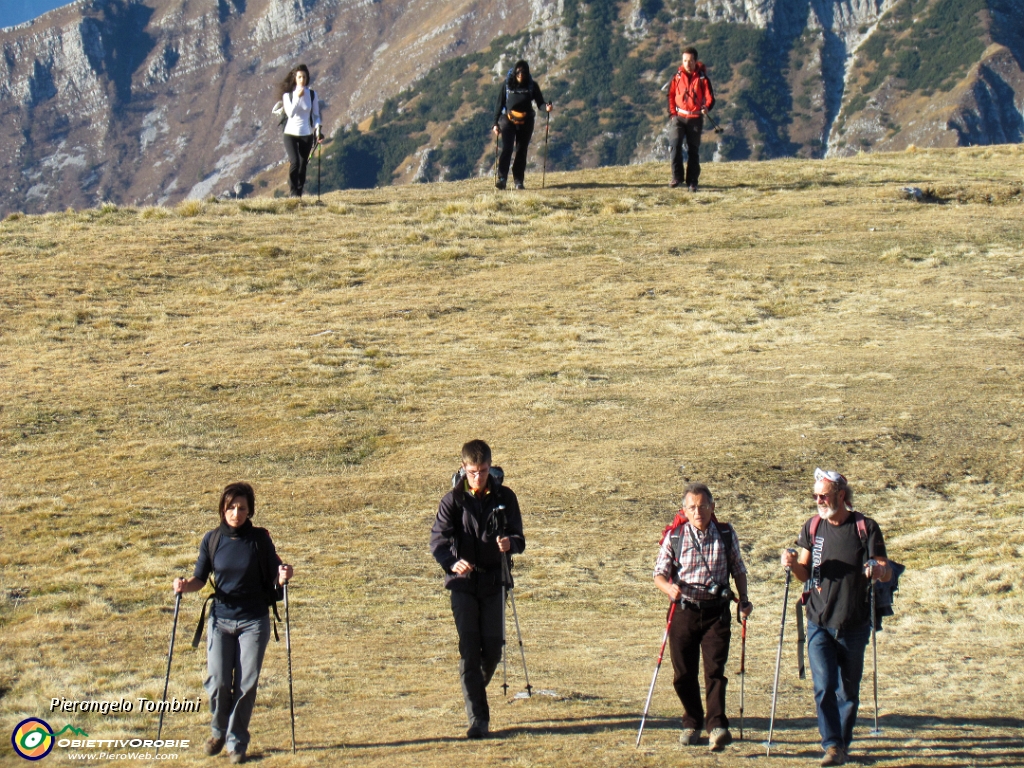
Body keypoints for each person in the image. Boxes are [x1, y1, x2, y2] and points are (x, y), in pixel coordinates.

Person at [173, 482, 293, 765]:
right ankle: (218, 731)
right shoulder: (212, 540)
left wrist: (284, 575)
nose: (236, 513)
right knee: (217, 681)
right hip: (220, 620)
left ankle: (236, 741)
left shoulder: (259, 539)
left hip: (254, 621)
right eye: (231, 507)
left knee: (246, 684)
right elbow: (199, 579)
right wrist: (183, 585)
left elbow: (277, 570)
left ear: (250, 510)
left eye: (241, 508)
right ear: (222, 509)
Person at [781, 469, 892, 767]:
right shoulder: (813, 527)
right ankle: (831, 745)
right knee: (824, 685)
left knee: (849, 691)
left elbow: (885, 567)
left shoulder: (865, 527)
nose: (819, 501)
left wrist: (878, 570)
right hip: (818, 621)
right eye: (816, 496)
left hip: (854, 624)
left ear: (841, 495)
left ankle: (842, 743)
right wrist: (793, 565)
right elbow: (805, 571)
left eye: (824, 495)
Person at [430, 440, 525, 738]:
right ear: (463, 469)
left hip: (495, 582)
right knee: (470, 650)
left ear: (490, 468)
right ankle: (478, 720)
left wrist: (510, 543)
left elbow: (519, 538)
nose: (478, 477)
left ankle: (472, 686)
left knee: (493, 650)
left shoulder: (505, 497)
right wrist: (451, 562)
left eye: (483, 471)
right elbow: (438, 542)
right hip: (463, 585)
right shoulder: (452, 501)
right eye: (473, 471)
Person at [653, 482, 752, 751]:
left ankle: (717, 725)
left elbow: (738, 569)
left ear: (712, 507)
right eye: (692, 507)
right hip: (683, 611)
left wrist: (743, 600)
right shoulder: (675, 536)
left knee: (715, 671)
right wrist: (668, 587)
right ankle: (692, 722)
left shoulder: (726, 533)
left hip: (716, 613)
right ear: (684, 510)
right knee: (683, 673)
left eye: (703, 506)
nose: (698, 512)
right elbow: (659, 574)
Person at [492, 60, 552, 190]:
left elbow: (540, 103)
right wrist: (495, 123)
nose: (521, 74)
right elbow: (499, 104)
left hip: (526, 121)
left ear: (527, 73)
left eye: (523, 72)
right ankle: (502, 179)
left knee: (521, 150)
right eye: (518, 72)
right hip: (508, 120)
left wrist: (546, 107)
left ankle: (518, 180)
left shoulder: (532, 86)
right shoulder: (507, 85)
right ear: (514, 72)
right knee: (507, 147)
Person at [667, 47, 715, 191]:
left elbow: (710, 98)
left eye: (690, 61)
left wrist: (706, 107)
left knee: (693, 150)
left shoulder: (702, 79)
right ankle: (677, 177)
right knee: (675, 146)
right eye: (685, 60)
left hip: (695, 118)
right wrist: (672, 113)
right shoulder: (677, 77)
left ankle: (692, 181)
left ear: (695, 61)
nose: (687, 63)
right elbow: (670, 95)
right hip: (679, 117)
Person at [278, 64, 322, 197]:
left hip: (306, 134)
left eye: (304, 77)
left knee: (303, 165)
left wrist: (318, 129)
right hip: (290, 133)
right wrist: (297, 97)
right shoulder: (288, 96)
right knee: (295, 162)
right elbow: (290, 113)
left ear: (307, 78)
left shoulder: (313, 95)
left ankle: (299, 193)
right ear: (295, 79)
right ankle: (292, 194)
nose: (302, 79)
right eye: (299, 77)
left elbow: (316, 115)